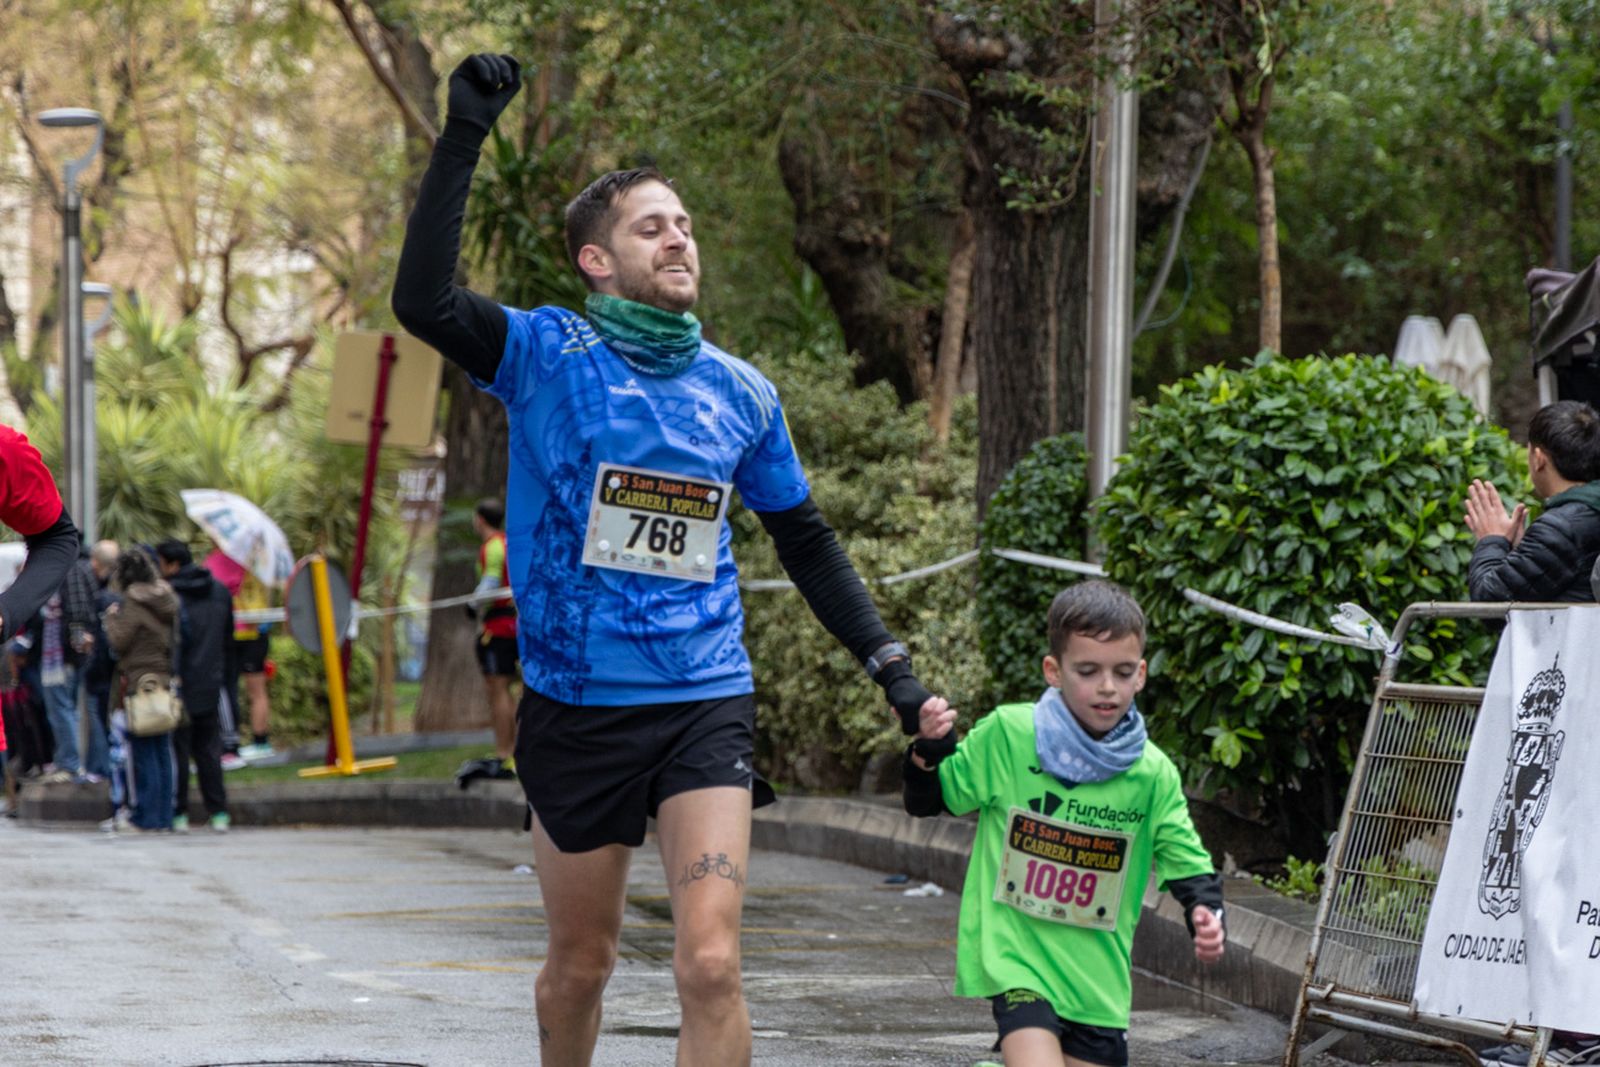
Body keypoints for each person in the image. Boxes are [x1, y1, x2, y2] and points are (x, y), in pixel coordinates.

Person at [392, 53, 951, 1066]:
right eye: (653, 224)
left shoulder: (741, 392)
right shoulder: (546, 352)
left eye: (684, 222)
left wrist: (893, 670)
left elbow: (806, 538)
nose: (679, 235)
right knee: (580, 965)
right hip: (574, 702)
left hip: (704, 697)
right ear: (596, 259)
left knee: (710, 962)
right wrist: (465, 131)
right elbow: (424, 303)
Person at [903, 580, 1225, 1067]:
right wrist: (927, 750)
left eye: (1122, 672)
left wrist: (1204, 911)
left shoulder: (1151, 772)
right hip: (1018, 961)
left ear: (1140, 675)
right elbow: (932, 799)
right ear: (1054, 670)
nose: (1107, 687)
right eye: (1088, 671)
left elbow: (1186, 857)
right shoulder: (1010, 735)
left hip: (1097, 980)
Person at [1465, 399, 1600, 603]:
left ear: (1538, 459)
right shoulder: (1585, 513)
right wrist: (1522, 551)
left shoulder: (1561, 529)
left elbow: (1490, 601)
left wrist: (1491, 540)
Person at [156, 539, 234, 833]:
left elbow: (170, 641)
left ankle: (179, 814)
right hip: (211, 682)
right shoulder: (220, 591)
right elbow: (228, 638)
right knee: (209, 749)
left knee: (178, 749)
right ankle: (219, 813)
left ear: (172, 564)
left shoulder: (170, 595)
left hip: (179, 682)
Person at [103, 548, 180, 833]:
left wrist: (111, 618)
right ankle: (164, 815)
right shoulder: (167, 599)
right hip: (162, 676)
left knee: (143, 750)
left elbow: (119, 640)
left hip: (138, 679)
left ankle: (146, 816)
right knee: (161, 750)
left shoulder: (133, 601)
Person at [456, 497, 519, 788]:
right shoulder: (510, 542)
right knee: (514, 689)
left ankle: (505, 753)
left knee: (499, 691)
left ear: (480, 519)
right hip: (516, 624)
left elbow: (491, 584)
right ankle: (515, 753)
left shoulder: (493, 546)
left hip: (499, 627)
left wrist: (472, 604)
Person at [204, 548, 275, 765]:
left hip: (237, 632)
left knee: (235, 688)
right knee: (254, 690)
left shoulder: (219, 561)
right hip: (254, 631)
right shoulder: (260, 561)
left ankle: (245, 742)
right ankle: (257, 740)